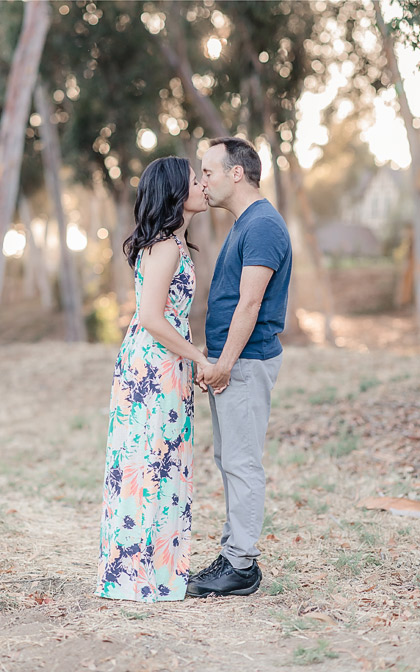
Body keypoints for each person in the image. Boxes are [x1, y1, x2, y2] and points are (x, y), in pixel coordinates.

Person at [96, 156, 215, 602]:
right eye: (194, 180)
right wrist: (198, 357)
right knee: (150, 461)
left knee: (158, 459)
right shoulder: (165, 247)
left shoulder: (175, 245)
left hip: (165, 363)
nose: (204, 186)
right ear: (174, 194)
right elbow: (150, 317)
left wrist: (190, 358)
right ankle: (142, 576)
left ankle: (157, 570)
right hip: (153, 367)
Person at [186, 137, 292, 598]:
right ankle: (234, 554)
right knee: (229, 459)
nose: (202, 180)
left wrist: (224, 364)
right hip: (235, 363)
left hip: (245, 362)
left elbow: (250, 303)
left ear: (235, 173)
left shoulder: (264, 225)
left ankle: (241, 566)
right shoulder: (246, 223)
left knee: (243, 462)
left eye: (208, 171)